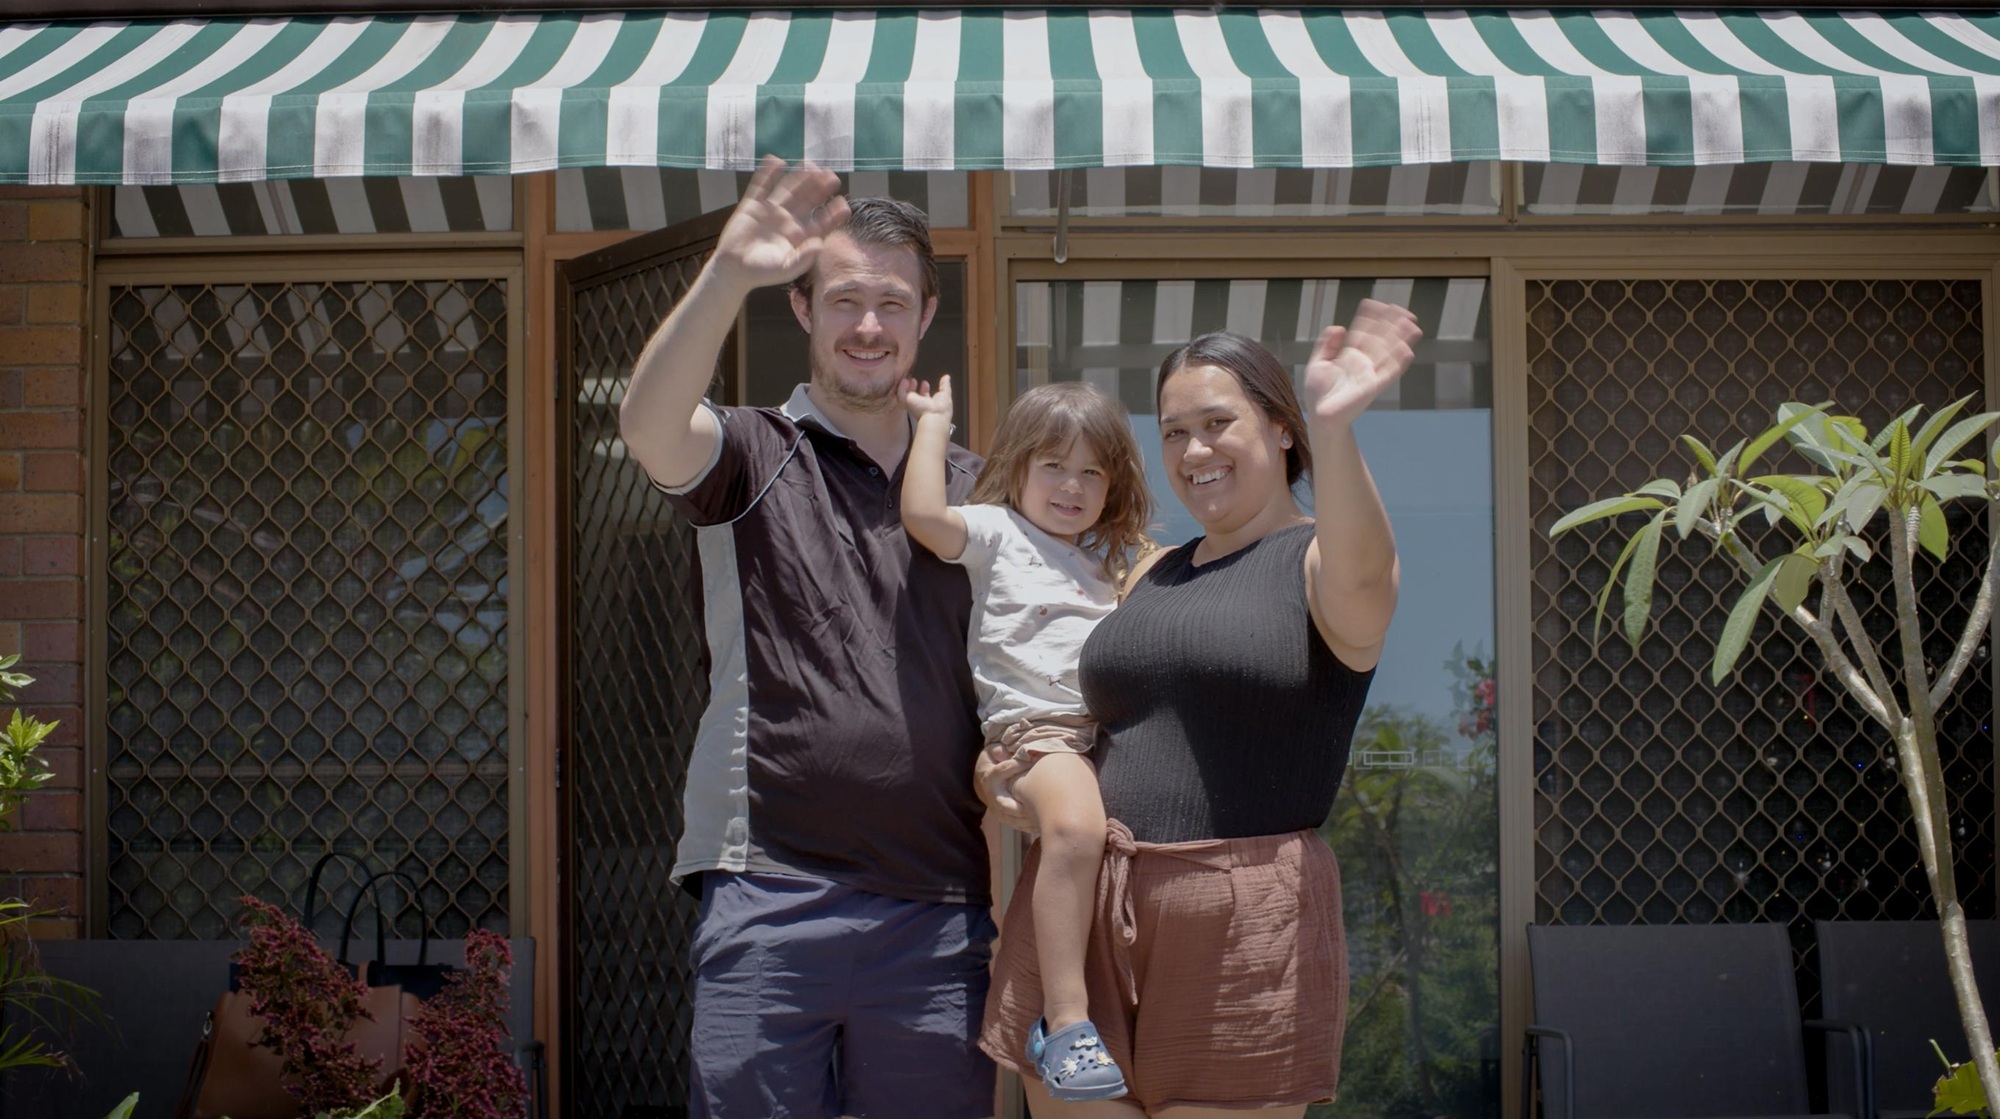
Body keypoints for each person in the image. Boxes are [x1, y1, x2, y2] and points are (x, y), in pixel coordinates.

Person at [618, 157, 1001, 1119]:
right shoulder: (749, 451)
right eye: (842, 299)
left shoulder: (978, 489)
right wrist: (725, 271)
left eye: (890, 301)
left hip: (943, 909)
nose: (867, 325)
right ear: (801, 309)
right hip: (769, 893)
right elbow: (650, 426)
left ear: (924, 315)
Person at [977, 302, 1424, 1118]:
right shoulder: (1144, 571)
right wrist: (999, 770)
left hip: (1239, 923)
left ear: (1282, 428)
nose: (1193, 451)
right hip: (1082, 914)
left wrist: (1337, 429)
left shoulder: (1321, 562)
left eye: (1218, 422)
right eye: (1174, 431)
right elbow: (1048, 694)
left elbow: (1368, 575)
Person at [899, 375, 1153, 1102]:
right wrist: (934, 424)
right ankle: (1067, 1022)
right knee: (1076, 829)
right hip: (1037, 732)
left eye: (1092, 471)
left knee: (1091, 851)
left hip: (1095, 739)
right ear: (1016, 468)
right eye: (1053, 465)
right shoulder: (997, 530)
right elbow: (921, 513)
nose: (1071, 486)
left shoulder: (1108, 566)